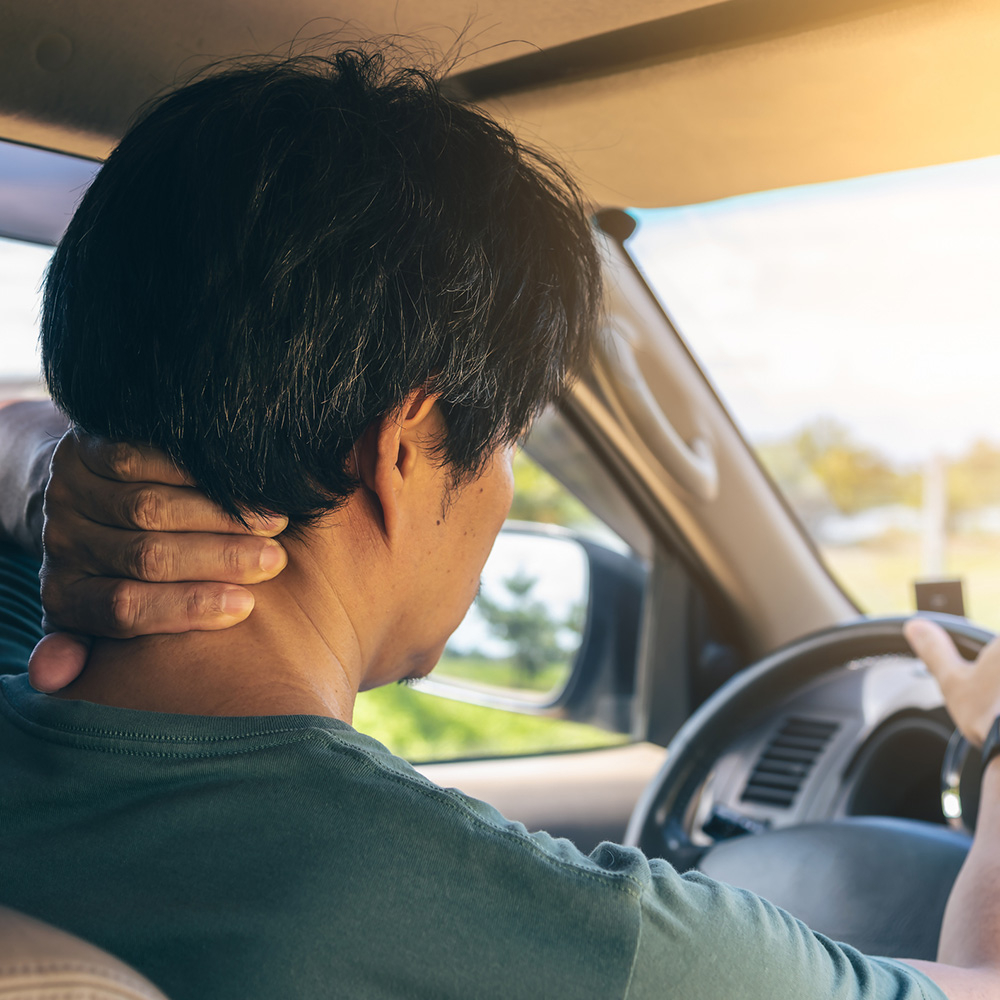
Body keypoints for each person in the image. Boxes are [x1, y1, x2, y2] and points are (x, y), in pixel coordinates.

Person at [0, 45, 995, 1000]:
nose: (504, 481)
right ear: (403, 446)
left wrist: (56, 469)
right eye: (511, 440)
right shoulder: (573, 939)